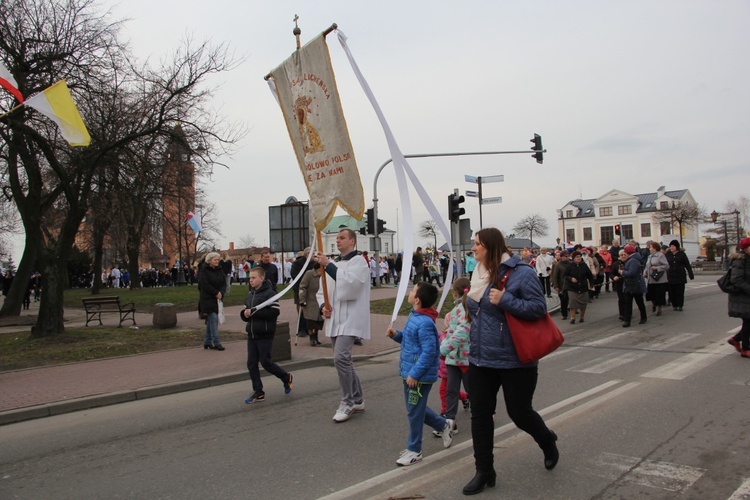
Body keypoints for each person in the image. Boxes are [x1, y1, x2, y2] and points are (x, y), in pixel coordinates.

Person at [462, 228, 558, 495]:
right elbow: (478, 312)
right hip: (481, 358)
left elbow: (539, 308)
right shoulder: (479, 273)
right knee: (481, 415)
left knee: (520, 413)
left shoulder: (521, 273)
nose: (473, 248)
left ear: (491, 246)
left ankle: (547, 440)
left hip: (515, 359)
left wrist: (505, 299)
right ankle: (484, 471)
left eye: (478, 244)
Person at [386, 282, 454, 466]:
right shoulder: (416, 316)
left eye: (413, 290)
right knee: (415, 409)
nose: (409, 292)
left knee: (414, 413)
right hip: (410, 373)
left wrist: (415, 374)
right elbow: (411, 342)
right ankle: (443, 425)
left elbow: (430, 351)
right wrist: (396, 335)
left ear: (417, 300)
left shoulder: (424, 322)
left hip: (418, 377)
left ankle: (415, 450)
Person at [316, 229, 370, 423]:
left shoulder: (359, 262)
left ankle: (346, 402)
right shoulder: (334, 264)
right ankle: (358, 399)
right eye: (337, 238)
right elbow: (323, 290)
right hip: (335, 318)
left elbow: (351, 285)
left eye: (342, 238)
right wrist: (324, 306)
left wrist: (328, 265)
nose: (338, 241)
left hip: (351, 318)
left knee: (341, 358)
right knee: (344, 361)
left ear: (352, 241)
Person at [241, 267, 293, 403]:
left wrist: (254, 312)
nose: (250, 280)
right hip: (252, 333)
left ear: (262, 278)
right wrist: (245, 314)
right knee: (251, 364)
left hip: (265, 333)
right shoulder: (249, 295)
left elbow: (274, 312)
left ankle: (286, 377)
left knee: (266, 362)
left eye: (253, 278)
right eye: (250, 278)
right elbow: (246, 312)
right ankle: (258, 392)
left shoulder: (270, 294)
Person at [439, 277, 471, 430]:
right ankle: (450, 420)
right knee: (451, 390)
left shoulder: (465, 308)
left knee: (472, 389)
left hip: (465, 358)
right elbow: (451, 332)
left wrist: (444, 349)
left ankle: (484, 414)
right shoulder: (455, 310)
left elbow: (461, 332)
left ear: (455, 293)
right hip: (453, 358)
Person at [726, 237, 750, 358]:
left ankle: (735, 339)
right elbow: (736, 279)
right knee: (747, 321)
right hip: (742, 296)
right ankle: (746, 349)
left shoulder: (748, 259)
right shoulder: (740, 260)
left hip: (746, 296)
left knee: (748, 322)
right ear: (745, 248)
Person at [198, 252, 226, 350]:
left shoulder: (220, 270)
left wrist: (221, 292)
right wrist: (215, 292)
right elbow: (204, 285)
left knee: (211, 321)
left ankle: (207, 341)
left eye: (218, 260)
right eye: (215, 260)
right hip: (207, 299)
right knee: (213, 318)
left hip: (218, 298)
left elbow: (224, 282)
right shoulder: (204, 271)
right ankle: (217, 342)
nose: (217, 261)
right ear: (209, 261)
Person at [621, 244, 647, 327]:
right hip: (630, 284)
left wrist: (622, 272)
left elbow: (631, 273)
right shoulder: (631, 259)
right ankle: (627, 320)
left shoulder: (633, 260)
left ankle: (643, 318)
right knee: (628, 303)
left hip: (635, 284)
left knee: (639, 302)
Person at [299, 262, 324, 346]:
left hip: (320, 301)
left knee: (319, 321)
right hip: (310, 301)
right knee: (310, 321)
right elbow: (302, 286)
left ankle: (316, 337)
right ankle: (311, 337)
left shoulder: (324, 275)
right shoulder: (309, 274)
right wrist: (302, 300)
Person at [565, 250, 594, 324]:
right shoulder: (569, 266)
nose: (579, 258)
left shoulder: (584, 265)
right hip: (572, 288)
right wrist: (571, 278)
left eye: (580, 257)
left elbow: (589, 275)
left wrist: (591, 283)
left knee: (583, 303)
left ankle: (581, 317)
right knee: (572, 303)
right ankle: (573, 318)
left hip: (583, 287)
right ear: (573, 258)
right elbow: (565, 275)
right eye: (577, 257)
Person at [666, 240, 694, 311]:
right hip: (670, 276)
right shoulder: (668, 254)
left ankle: (680, 305)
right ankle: (674, 305)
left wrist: (690, 274)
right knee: (672, 292)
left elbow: (687, 264)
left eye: (673, 246)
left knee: (680, 292)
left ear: (677, 247)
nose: (671, 247)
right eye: (670, 246)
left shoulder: (682, 254)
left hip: (680, 275)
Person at [291, 248, 313, 338]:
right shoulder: (297, 263)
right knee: (301, 309)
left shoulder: (313, 263)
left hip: (311, 290)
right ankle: (301, 329)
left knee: (310, 310)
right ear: (307, 254)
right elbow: (295, 276)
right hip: (300, 289)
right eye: (312, 253)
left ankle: (309, 329)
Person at [645, 241, 669, 316]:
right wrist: (645, 272)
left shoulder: (660, 255)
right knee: (650, 294)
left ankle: (659, 308)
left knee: (659, 295)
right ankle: (654, 304)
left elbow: (666, 266)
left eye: (651, 247)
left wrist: (657, 268)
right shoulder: (650, 256)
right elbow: (647, 266)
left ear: (655, 248)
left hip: (659, 279)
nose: (649, 248)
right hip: (651, 279)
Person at [550, 250, 571, 320]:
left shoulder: (570, 264)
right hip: (562, 285)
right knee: (563, 300)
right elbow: (555, 276)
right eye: (566, 256)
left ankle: (571, 310)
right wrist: (556, 286)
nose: (567, 257)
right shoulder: (558, 265)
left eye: (568, 256)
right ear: (561, 257)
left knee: (570, 299)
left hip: (570, 284)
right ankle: (564, 314)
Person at [611, 248, 629, 321]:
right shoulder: (615, 264)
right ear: (619, 256)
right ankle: (622, 314)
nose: (623, 256)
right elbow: (611, 273)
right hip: (619, 284)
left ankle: (628, 313)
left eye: (625, 255)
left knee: (627, 299)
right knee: (621, 299)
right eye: (622, 255)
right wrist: (614, 277)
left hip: (628, 283)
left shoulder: (629, 263)